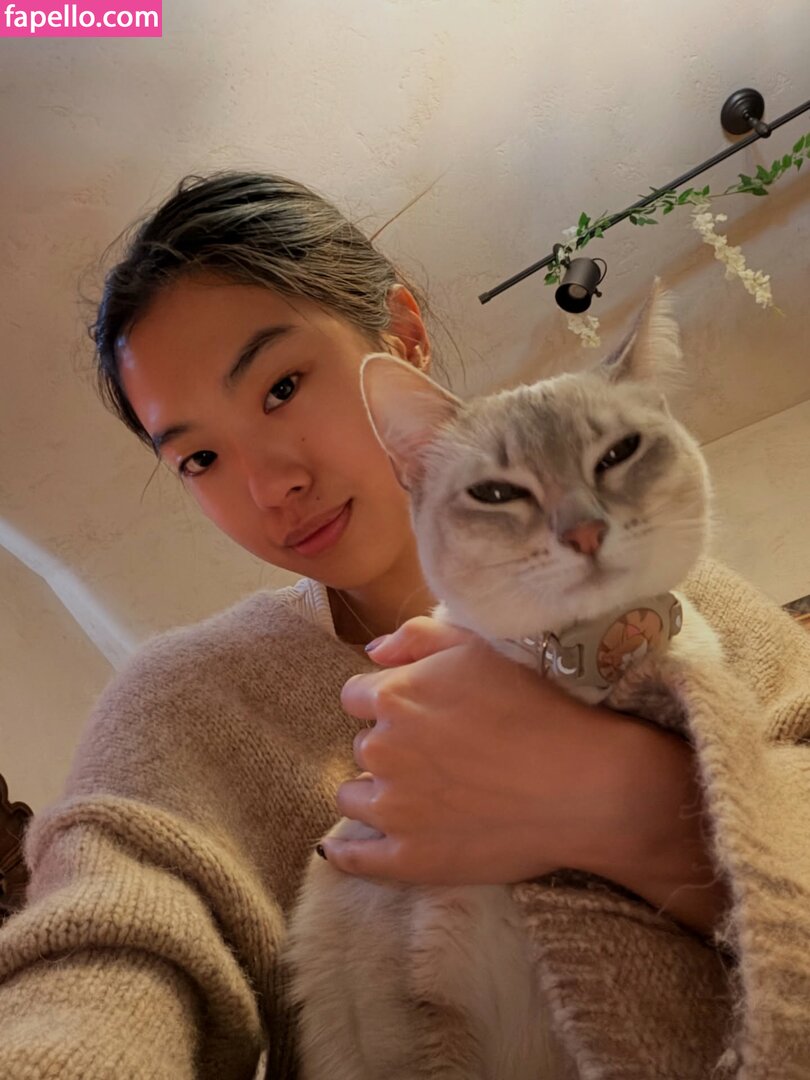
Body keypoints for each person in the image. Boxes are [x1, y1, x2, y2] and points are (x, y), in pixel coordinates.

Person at [0, 170, 808, 1079]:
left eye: (281, 387)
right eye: (199, 457)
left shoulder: (684, 598)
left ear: (403, 334)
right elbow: (101, 954)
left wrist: (627, 806)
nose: (270, 485)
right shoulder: (185, 702)